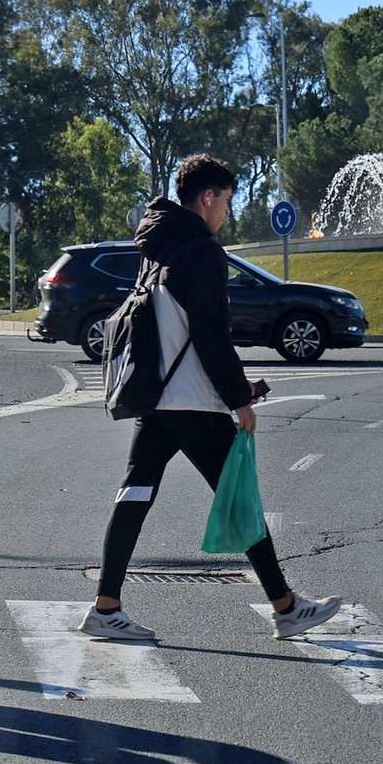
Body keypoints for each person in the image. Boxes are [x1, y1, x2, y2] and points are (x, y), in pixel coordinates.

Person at [80, 155, 341, 642]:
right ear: (207, 197)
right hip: (194, 402)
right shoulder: (201, 251)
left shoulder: (156, 244)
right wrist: (240, 400)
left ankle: (106, 607)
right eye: (225, 200)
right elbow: (209, 335)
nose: (227, 212)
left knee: (134, 493)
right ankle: (285, 606)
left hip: (157, 394)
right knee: (240, 499)